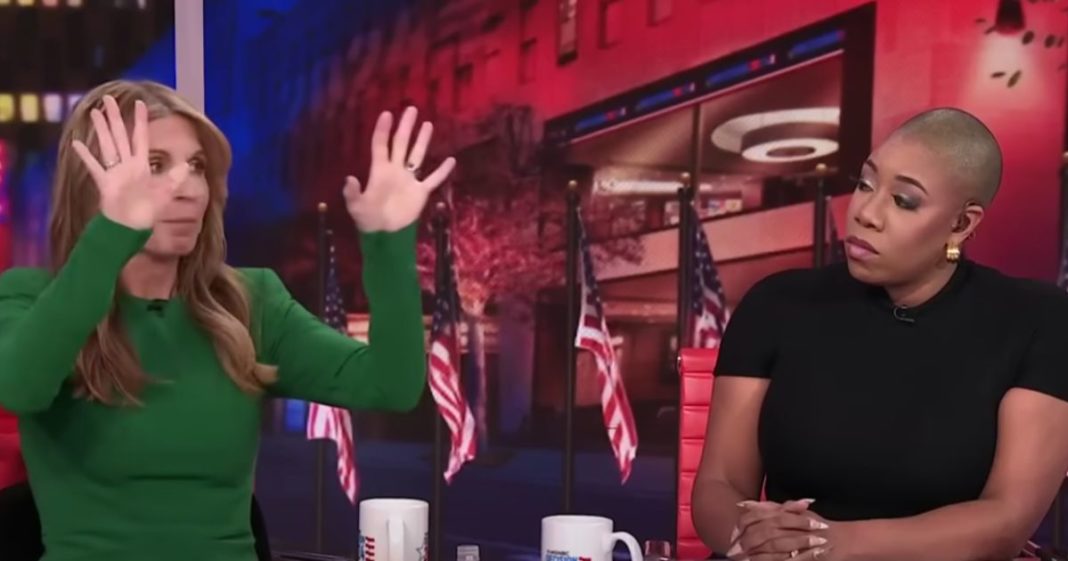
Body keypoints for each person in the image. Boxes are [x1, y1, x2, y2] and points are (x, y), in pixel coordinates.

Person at [0, 79, 455, 561]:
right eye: (155, 165)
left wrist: (388, 243)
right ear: (91, 185)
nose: (188, 187)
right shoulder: (31, 296)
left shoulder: (249, 302)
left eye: (196, 166)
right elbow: (19, 387)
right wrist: (113, 234)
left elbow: (392, 385)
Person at [691, 107, 1068, 561]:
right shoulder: (777, 303)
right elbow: (719, 484)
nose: (865, 213)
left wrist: (828, 546)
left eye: (904, 201)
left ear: (962, 223)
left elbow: (1005, 519)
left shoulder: (1038, 320)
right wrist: (750, 538)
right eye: (865, 184)